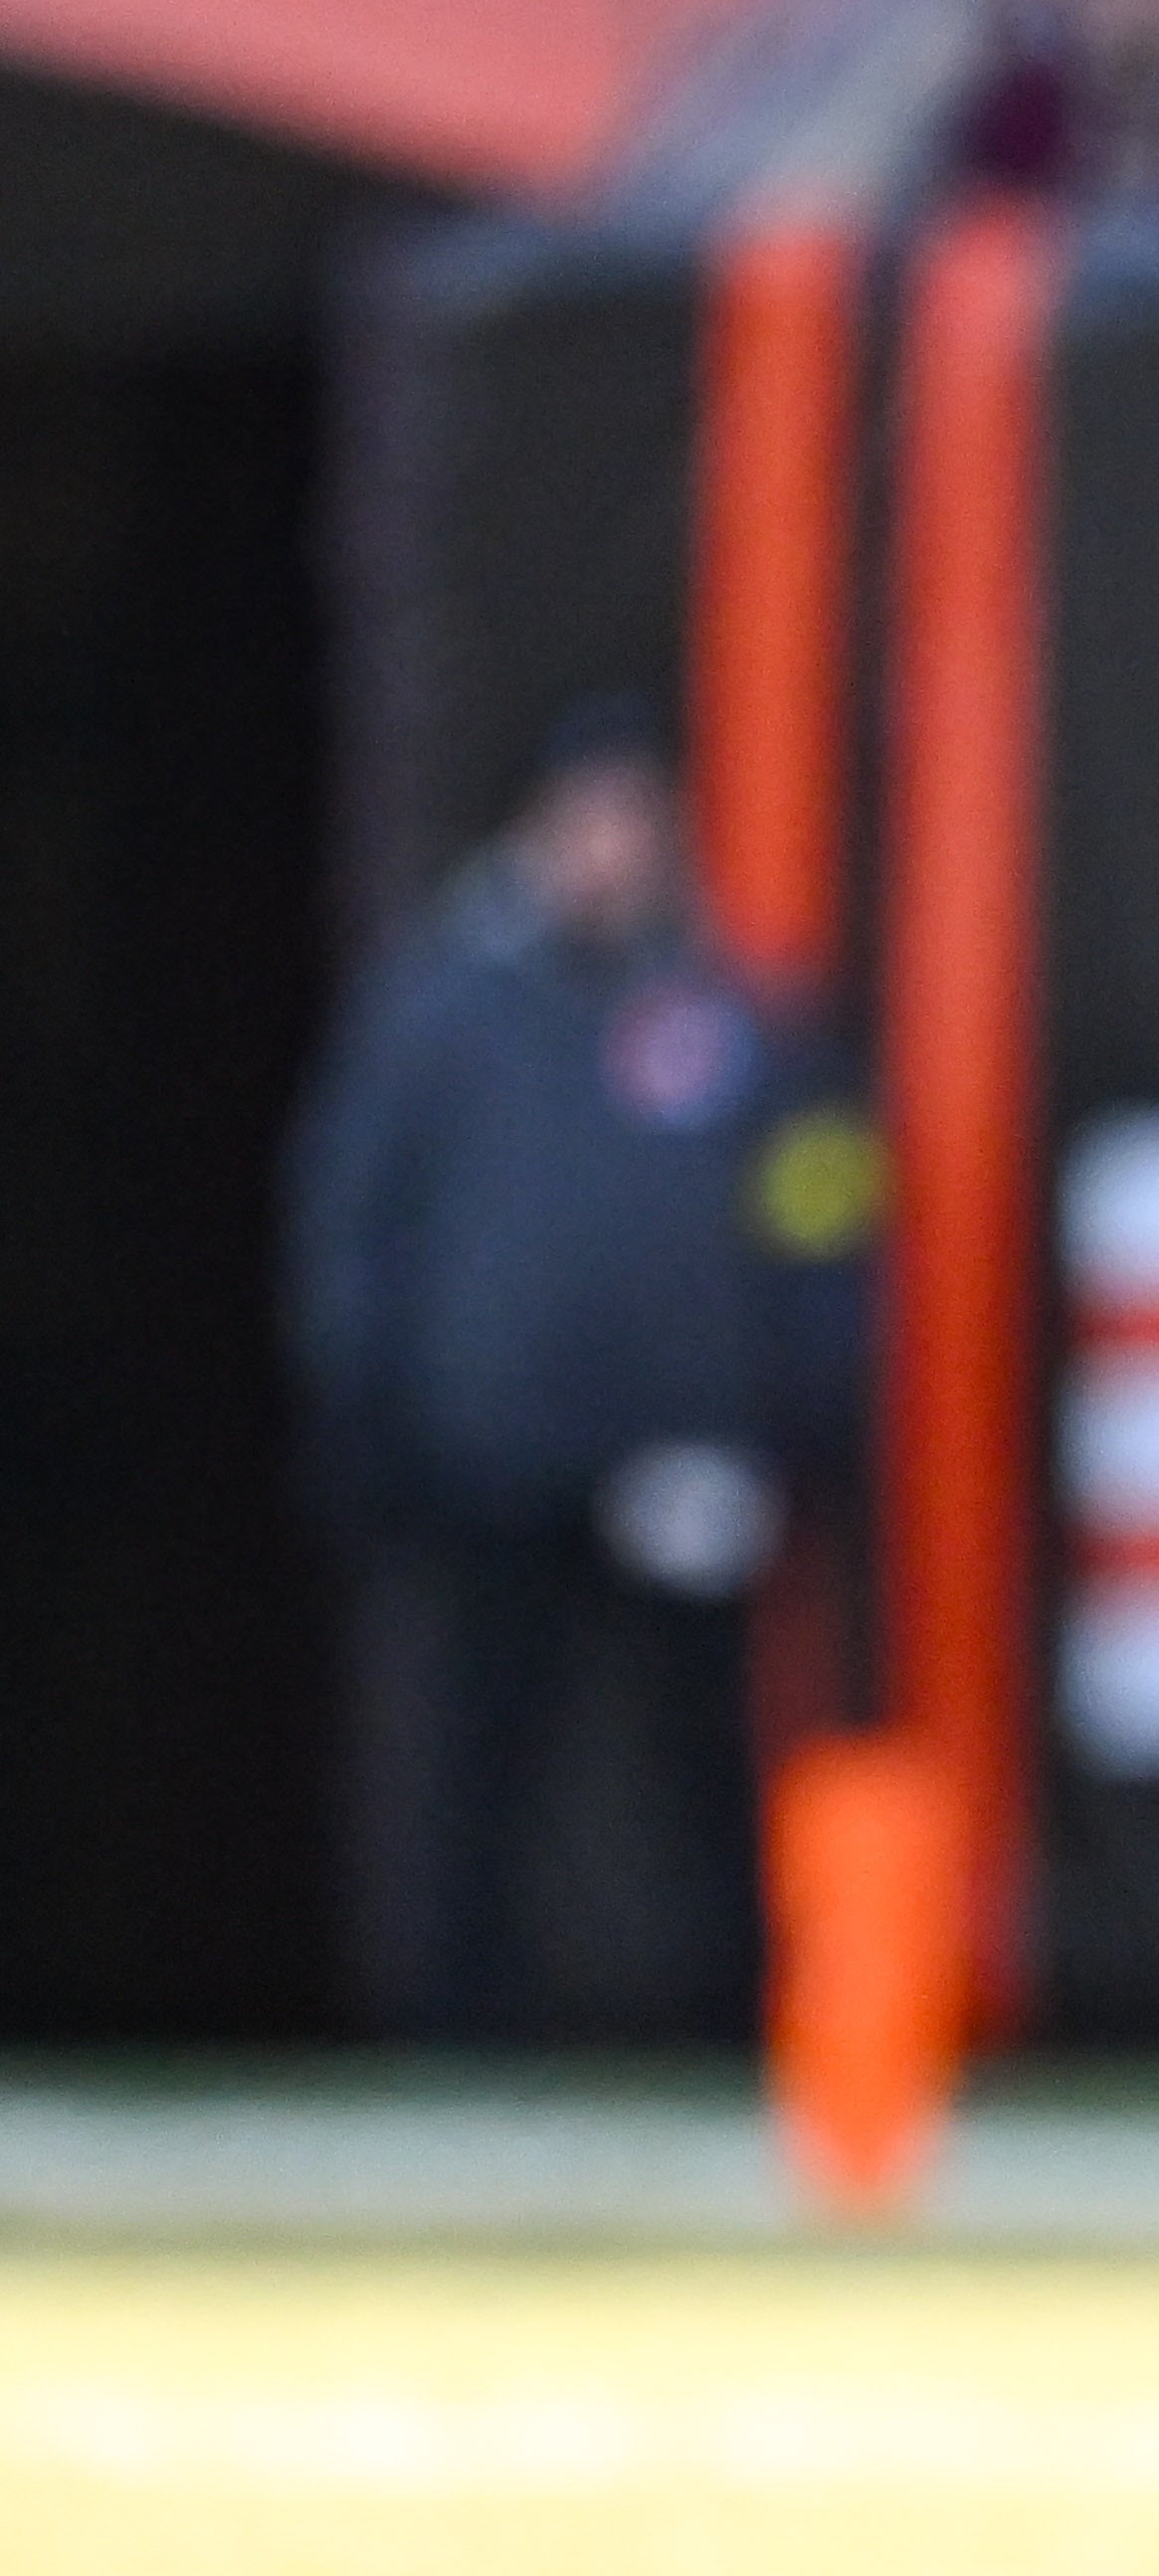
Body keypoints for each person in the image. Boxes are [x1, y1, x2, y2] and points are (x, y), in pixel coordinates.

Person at [288, 698, 879, 2048]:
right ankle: (451, 2028)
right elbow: (353, 1210)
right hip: (496, 1452)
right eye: (587, 821)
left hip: (682, 1456)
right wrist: (365, 1398)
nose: (611, 850)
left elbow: (823, 1205)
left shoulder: (736, 1012)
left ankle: (741, 2027)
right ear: (535, 832)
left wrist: (805, 1397)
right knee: (484, 1754)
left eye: (634, 820)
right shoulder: (440, 1009)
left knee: (701, 1764)